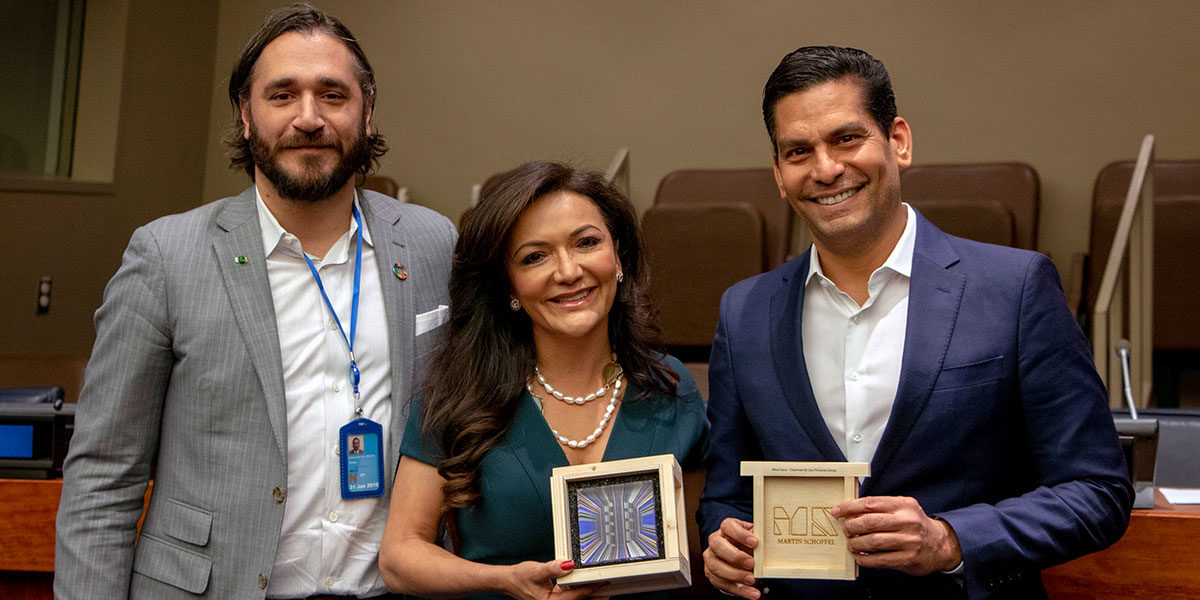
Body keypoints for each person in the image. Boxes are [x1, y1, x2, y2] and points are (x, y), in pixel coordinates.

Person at [698, 46, 1132, 599]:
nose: (826, 168)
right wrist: (722, 539)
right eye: (798, 151)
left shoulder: (1014, 289)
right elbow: (726, 495)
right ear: (779, 174)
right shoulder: (744, 312)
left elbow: (1096, 489)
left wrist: (951, 540)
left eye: (847, 139)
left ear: (898, 141)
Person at [54, 4, 456, 599]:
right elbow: (104, 480)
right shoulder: (167, 256)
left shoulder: (431, 243)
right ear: (247, 115)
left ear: (367, 115)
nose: (309, 118)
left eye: (333, 95)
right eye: (282, 95)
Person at [378, 161, 708, 599]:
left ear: (619, 258)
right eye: (535, 257)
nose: (568, 271)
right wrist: (502, 580)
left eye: (586, 243)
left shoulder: (670, 385)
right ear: (509, 287)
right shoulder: (461, 393)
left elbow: (699, 553)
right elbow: (400, 557)